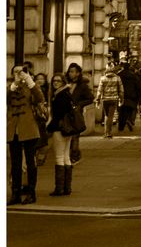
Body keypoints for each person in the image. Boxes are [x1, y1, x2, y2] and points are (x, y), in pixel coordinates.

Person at [48, 64, 92, 196]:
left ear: (63, 82)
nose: (55, 83)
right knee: (66, 156)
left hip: (60, 129)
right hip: (68, 130)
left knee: (59, 157)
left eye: (58, 81)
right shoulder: (66, 93)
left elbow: (58, 115)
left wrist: (49, 127)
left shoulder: (59, 96)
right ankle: (66, 188)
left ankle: (59, 188)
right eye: (54, 81)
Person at [8, 64, 46, 205]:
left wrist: (30, 81)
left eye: (21, 72)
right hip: (13, 130)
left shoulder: (31, 87)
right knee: (15, 164)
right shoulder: (9, 88)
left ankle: (31, 192)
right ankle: (15, 193)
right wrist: (14, 85)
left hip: (29, 128)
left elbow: (40, 98)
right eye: (16, 72)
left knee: (31, 162)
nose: (19, 74)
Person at [97, 63, 124, 139]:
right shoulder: (117, 78)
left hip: (105, 99)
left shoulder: (102, 78)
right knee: (111, 116)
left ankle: (106, 132)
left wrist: (98, 99)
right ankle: (108, 132)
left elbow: (99, 90)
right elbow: (121, 90)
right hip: (114, 99)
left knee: (106, 115)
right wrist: (121, 99)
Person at [117, 61, 141, 133]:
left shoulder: (119, 75)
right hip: (132, 96)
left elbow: (116, 85)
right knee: (130, 110)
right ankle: (129, 120)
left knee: (121, 111)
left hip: (121, 95)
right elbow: (139, 87)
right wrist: (140, 97)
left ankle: (121, 127)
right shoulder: (134, 76)